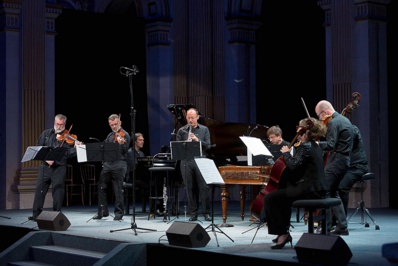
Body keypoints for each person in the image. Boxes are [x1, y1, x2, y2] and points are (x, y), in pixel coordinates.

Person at [263, 117, 329, 249]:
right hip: (318, 188)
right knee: (282, 197)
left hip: (310, 190)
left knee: (270, 198)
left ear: (304, 131)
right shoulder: (314, 145)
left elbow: (293, 166)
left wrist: (286, 153)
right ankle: (283, 232)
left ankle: (282, 233)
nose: (297, 130)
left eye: (299, 128)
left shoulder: (305, 146)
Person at [29, 114, 82, 221]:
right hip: (45, 167)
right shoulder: (46, 134)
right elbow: (38, 148)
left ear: (65, 124)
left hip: (59, 167)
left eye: (61, 125)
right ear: (54, 123)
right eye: (57, 124)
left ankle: (57, 214)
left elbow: (68, 154)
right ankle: (36, 214)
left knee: (58, 191)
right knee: (40, 190)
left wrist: (76, 148)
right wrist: (46, 159)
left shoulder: (68, 137)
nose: (59, 127)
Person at [315, 100, 354, 235]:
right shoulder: (346, 120)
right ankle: (342, 227)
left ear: (324, 112)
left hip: (336, 161)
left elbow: (331, 145)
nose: (320, 119)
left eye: (319, 116)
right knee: (333, 193)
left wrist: (316, 144)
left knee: (325, 192)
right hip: (345, 160)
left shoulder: (332, 122)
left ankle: (325, 227)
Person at [176, 108, 212, 221]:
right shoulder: (181, 131)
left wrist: (197, 140)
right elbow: (177, 148)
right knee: (189, 188)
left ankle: (206, 212)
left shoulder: (204, 129)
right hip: (186, 161)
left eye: (192, 117)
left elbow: (208, 146)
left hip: (201, 160)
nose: (190, 120)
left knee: (204, 187)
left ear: (197, 117)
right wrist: (184, 145)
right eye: (188, 117)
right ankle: (193, 213)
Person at [93, 114, 131, 221]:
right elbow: (103, 148)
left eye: (115, 124)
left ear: (120, 123)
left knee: (118, 189)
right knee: (101, 186)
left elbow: (124, 150)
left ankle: (118, 214)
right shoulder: (110, 135)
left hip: (119, 164)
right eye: (111, 125)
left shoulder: (125, 135)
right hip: (108, 164)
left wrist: (121, 143)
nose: (114, 127)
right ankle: (102, 212)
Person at [338, 125, 369, 216]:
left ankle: (342, 221)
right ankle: (330, 220)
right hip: (348, 167)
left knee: (342, 187)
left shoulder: (352, 129)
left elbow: (350, 139)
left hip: (358, 167)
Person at [124, 132, 147, 213]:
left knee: (152, 182)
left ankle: (155, 206)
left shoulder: (141, 153)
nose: (142, 141)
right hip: (131, 177)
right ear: (135, 142)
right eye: (140, 140)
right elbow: (133, 168)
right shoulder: (130, 153)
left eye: (143, 140)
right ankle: (155, 206)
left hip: (139, 176)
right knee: (149, 184)